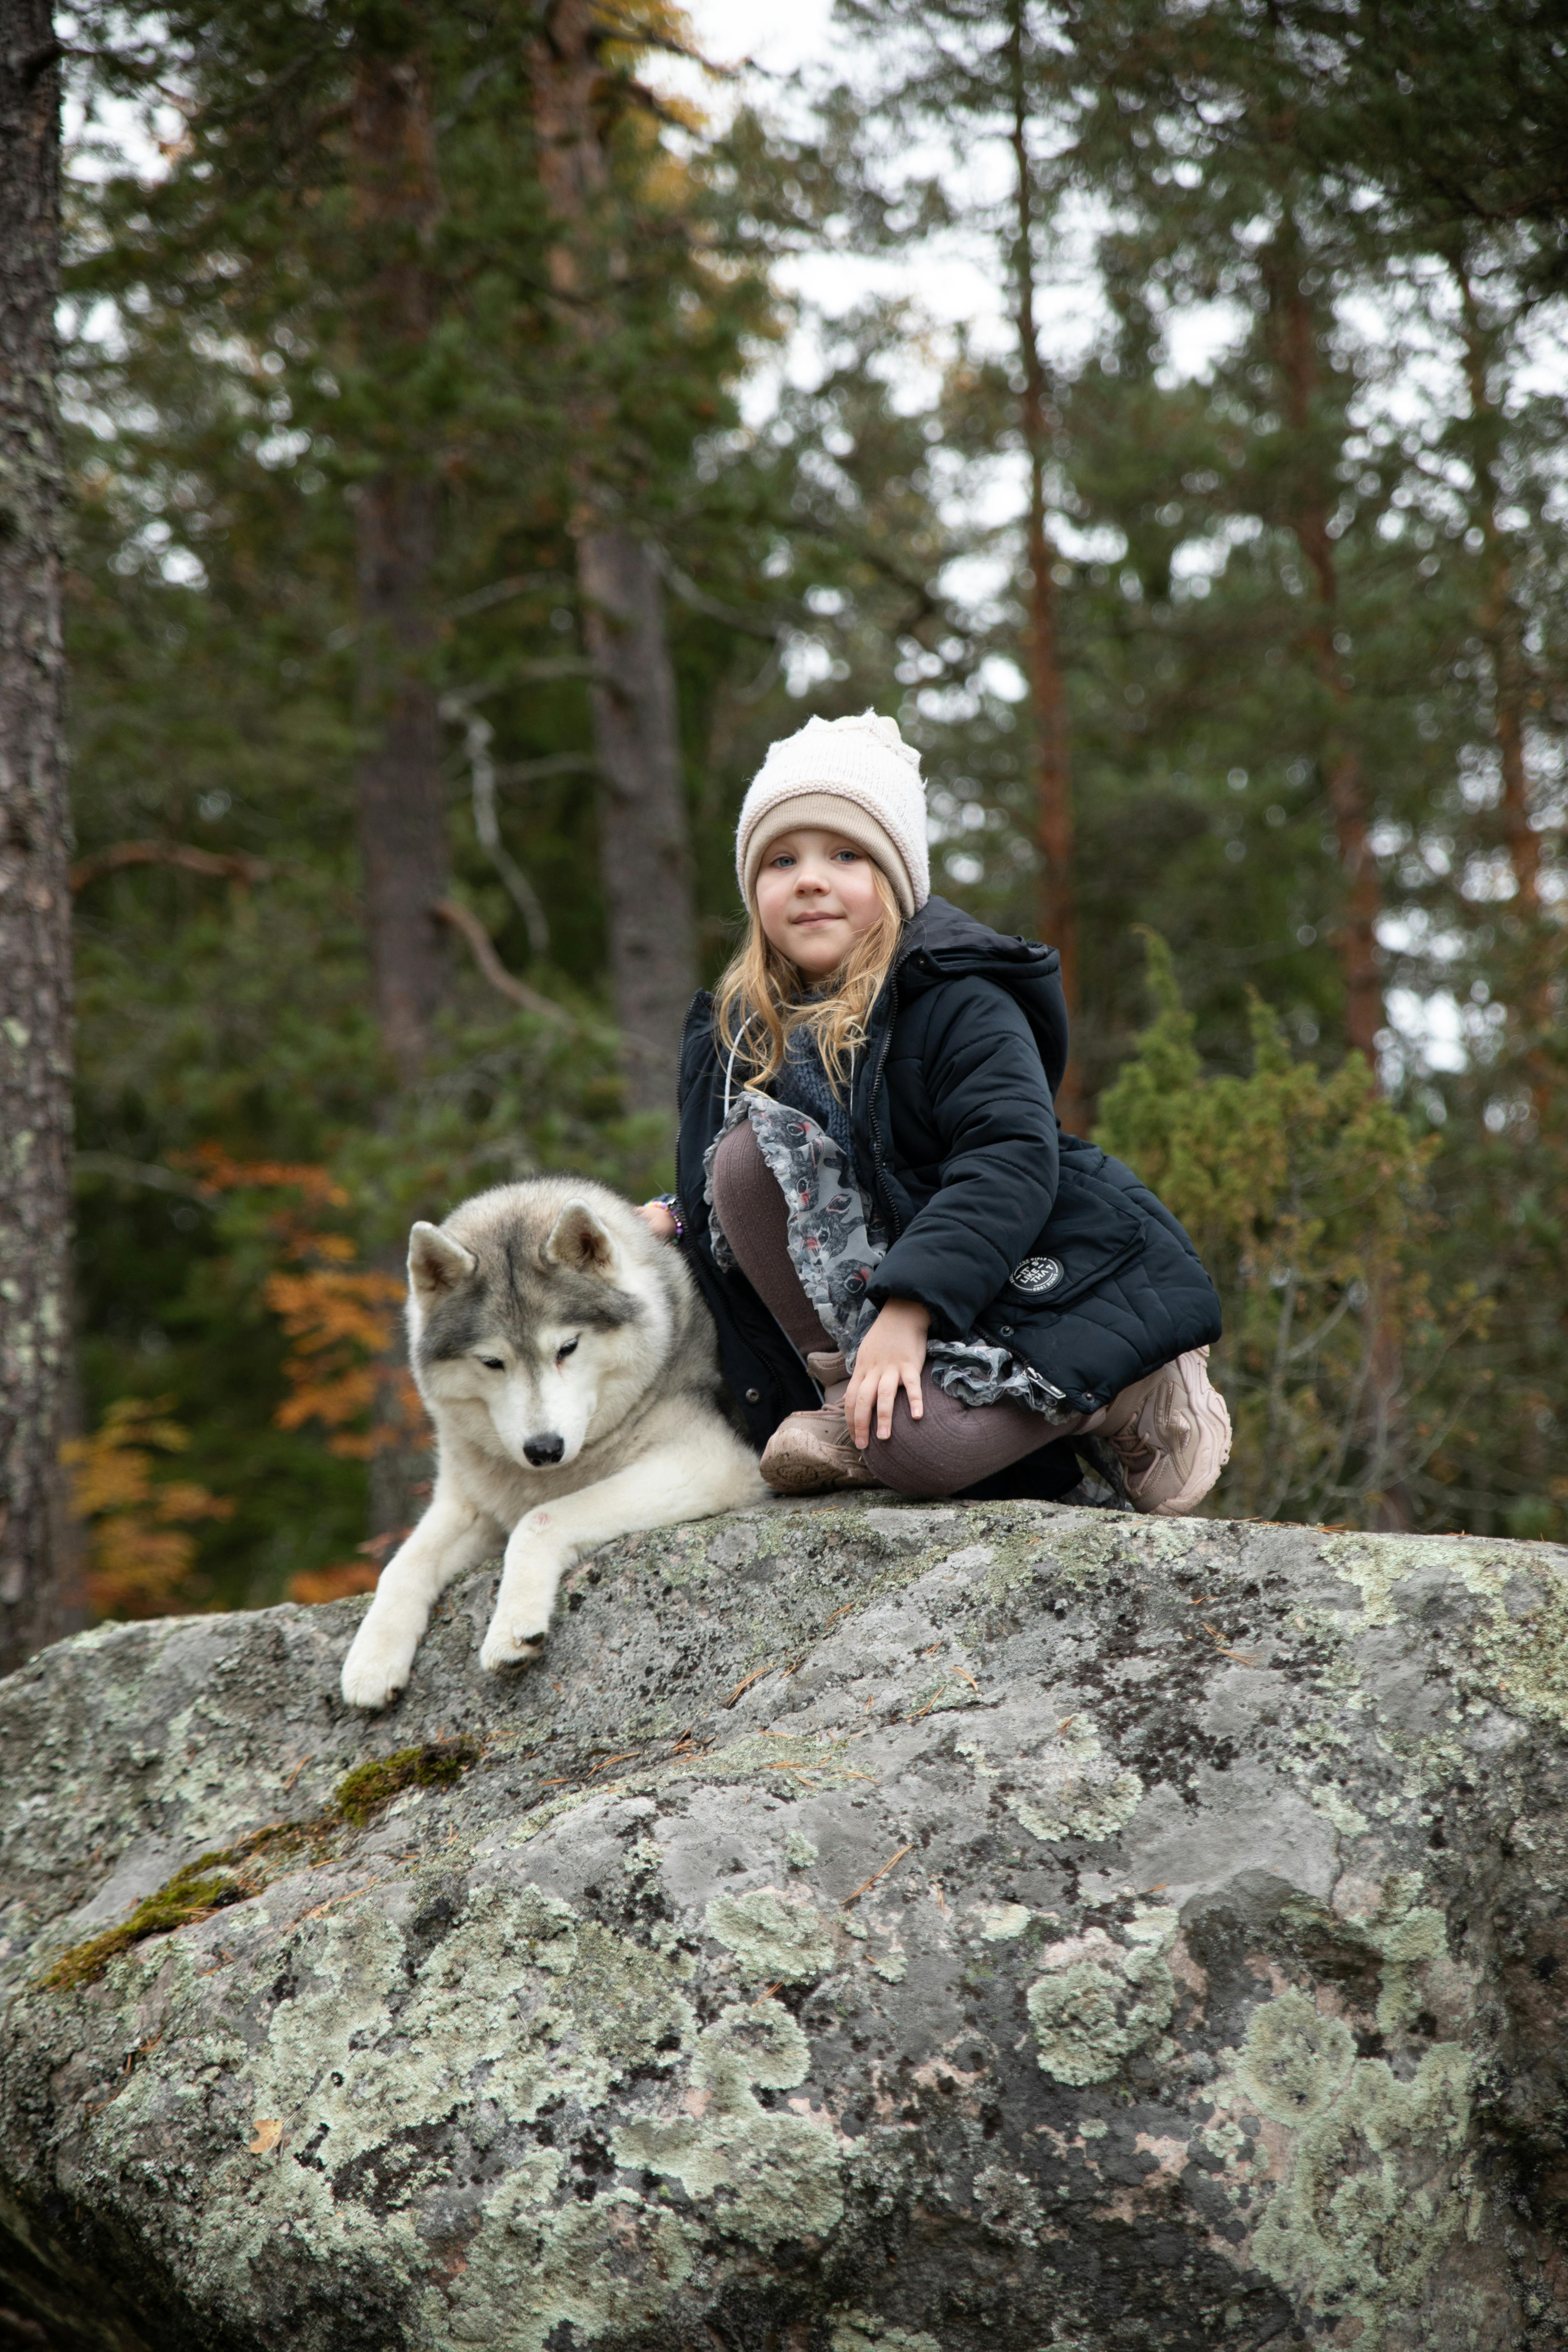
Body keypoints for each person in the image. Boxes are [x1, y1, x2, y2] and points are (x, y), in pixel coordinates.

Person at [635, 709, 1231, 1511]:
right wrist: (675, 1218)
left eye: (844, 854)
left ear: (895, 878)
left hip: (1045, 1280)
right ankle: (851, 1395)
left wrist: (909, 1307)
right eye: (781, 860)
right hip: (916, 1299)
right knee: (740, 1160)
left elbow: (1008, 1159)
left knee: (912, 1452)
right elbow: (797, 1172)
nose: (809, 877)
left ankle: (1131, 1389)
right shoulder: (751, 1029)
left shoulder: (958, 998)